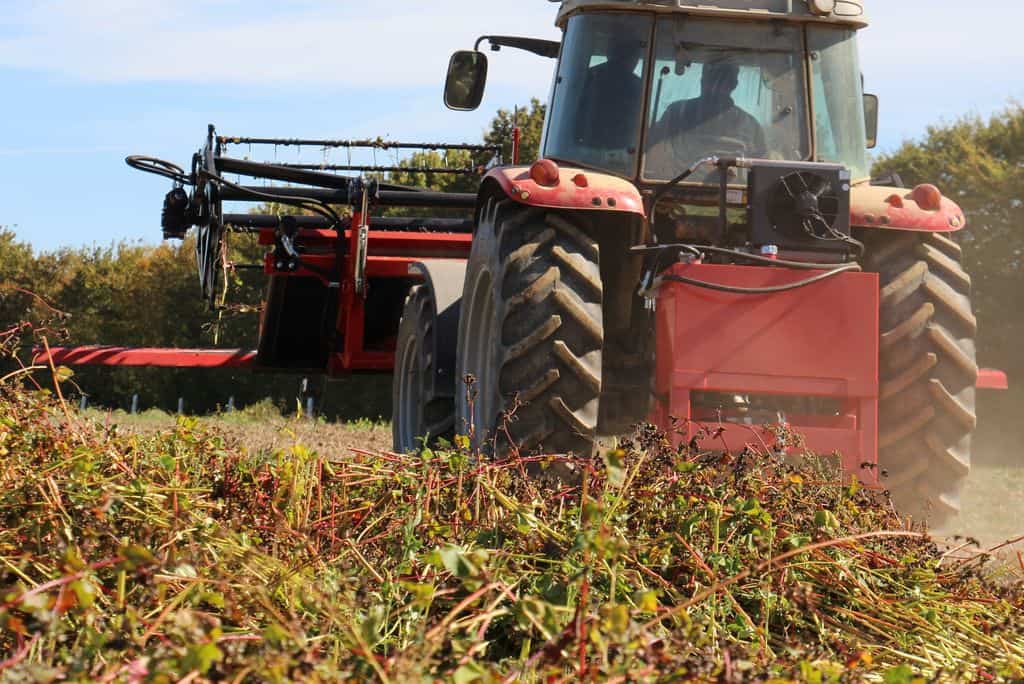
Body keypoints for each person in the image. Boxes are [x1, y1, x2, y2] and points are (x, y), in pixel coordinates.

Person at [647, 61, 767, 176]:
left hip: (731, 192)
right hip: (673, 190)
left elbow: (760, 169)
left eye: (722, 81)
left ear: (733, 85)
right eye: (711, 79)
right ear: (702, 80)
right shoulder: (676, 113)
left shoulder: (750, 125)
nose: (714, 87)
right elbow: (650, 150)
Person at [576, 39, 645, 151]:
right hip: (619, 148)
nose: (635, 61)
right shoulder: (635, 84)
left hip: (584, 145)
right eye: (634, 56)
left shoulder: (589, 76)